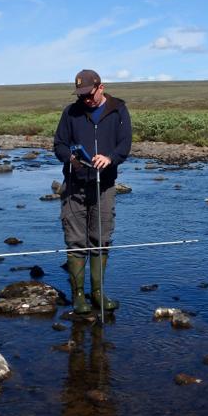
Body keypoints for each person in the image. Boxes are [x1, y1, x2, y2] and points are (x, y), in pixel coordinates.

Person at [54, 69, 132, 315]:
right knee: (76, 240)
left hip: (104, 184)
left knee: (100, 237)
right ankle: (78, 296)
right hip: (74, 184)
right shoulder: (71, 112)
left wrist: (110, 158)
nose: (85, 99)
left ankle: (97, 293)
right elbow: (59, 144)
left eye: (88, 94)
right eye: (81, 95)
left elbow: (125, 144)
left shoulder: (118, 110)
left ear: (101, 87)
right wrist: (71, 159)